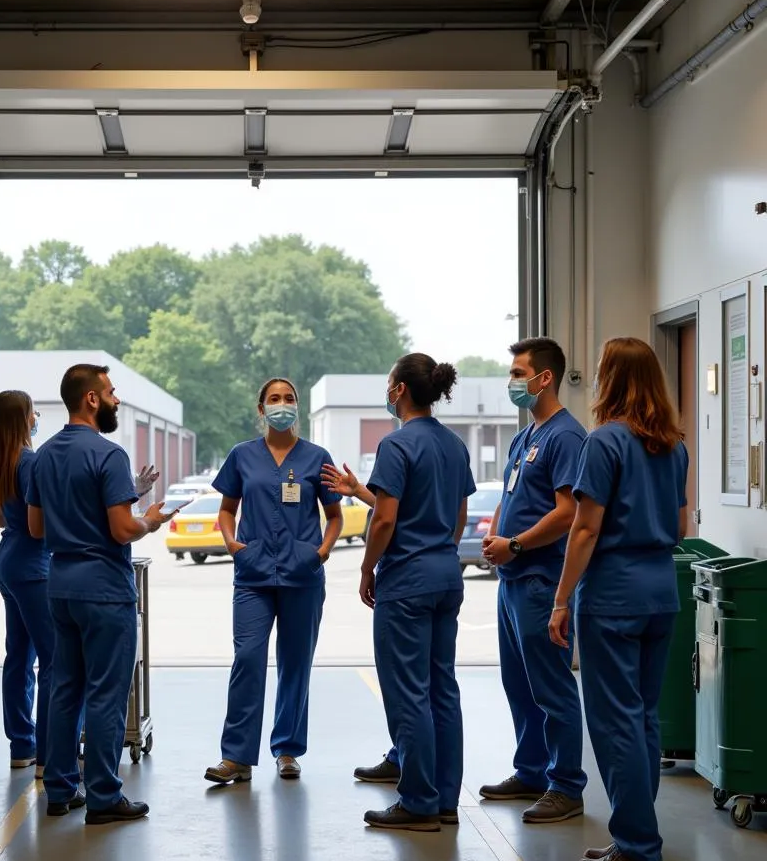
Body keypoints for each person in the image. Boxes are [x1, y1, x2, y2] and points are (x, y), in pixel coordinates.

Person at [551, 337, 688, 861]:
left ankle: (636, 844)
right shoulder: (674, 446)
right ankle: (639, 830)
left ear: (610, 378)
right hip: (661, 593)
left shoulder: (604, 442)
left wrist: (561, 599)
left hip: (612, 597)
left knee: (614, 724)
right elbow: (679, 527)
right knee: (644, 717)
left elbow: (584, 529)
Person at [27, 364, 177, 825]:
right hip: (105, 590)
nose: (115, 399)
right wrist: (150, 520)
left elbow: (35, 527)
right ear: (91, 399)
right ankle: (105, 796)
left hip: (61, 585)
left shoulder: (44, 455)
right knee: (106, 695)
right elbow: (121, 528)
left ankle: (59, 789)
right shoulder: (108, 455)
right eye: (110, 393)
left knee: (65, 688)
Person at [338, 353, 474, 832]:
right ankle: (445, 800)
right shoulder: (455, 446)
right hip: (445, 575)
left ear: (398, 391)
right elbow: (457, 517)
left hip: (407, 583)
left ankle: (417, 802)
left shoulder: (396, 447)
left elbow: (387, 518)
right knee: (443, 688)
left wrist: (367, 567)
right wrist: (439, 552)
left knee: (408, 692)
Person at [205, 378, 343, 785]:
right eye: (274, 399)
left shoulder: (317, 457)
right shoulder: (241, 456)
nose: (283, 405)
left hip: (303, 575)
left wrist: (321, 552)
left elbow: (334, 516)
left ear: (297, 407)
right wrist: (233, 544)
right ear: (261, 409)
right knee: (247, 658)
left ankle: (287, 749)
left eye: (289, 399)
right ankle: (236, 757)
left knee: (295, 664)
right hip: (253, 574)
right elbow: (227, 509)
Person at [472, 338, 588, 822]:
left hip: (541, 577)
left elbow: (568, 512)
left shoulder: (566, 436)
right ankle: (532, 769)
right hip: (512, 578)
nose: (513, 381)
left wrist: (516, 544)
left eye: (519, 373)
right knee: (518, 683)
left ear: (544, 378)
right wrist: (497, 535)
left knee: (552, 685)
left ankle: (566, 786)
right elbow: (509, 495)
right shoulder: (526, 436)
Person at [0, 391, 54, 781]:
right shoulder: (30, 462)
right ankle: (49, 750)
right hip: (33, 565)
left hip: (7, 561)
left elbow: (1, 520)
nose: (36, 417)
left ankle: (22, 746)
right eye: (33, 412)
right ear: (24, 419)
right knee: (54, 659)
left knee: (19, 656)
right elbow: (37, 524)